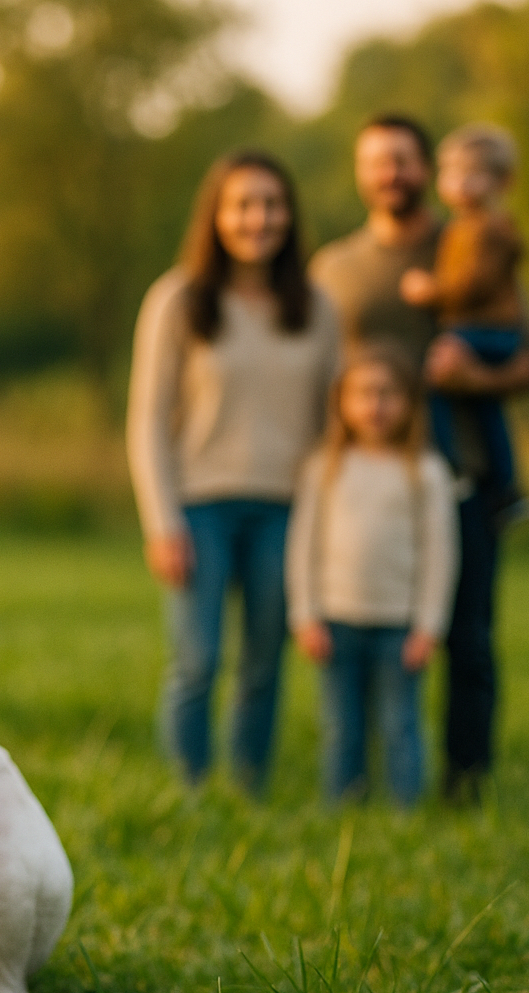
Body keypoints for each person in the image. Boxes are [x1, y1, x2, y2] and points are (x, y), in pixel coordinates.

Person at [310, 114, 529, 804]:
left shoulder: (469, 242)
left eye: (404, 160)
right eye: (376, 161)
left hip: (462, 475)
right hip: (365, 489)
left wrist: (476, 377)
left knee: (467, 640)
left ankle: (465, 785)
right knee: (367, 639)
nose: (391, 173)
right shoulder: (334, 269)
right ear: (360, 172)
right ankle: (361, 783)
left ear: (427, 170)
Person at [127, 151, 340, 793]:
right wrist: (162, 523)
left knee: (265, 662)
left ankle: (250, 789)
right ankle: (188, 791)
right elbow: (147, 420)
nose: (259, 219)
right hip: (199, 507)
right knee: (197, 661)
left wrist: (329, 520)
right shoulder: (177, 300)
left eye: (272, 205)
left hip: (288, 510)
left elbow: (333, 426)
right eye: (243, 205)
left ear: (289, 216)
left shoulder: (317, 308)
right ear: (216, 216)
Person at [286, 345, 458, 806]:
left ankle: (405, 812)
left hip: (399, 625)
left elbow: (441, 554)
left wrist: (429, 625)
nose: (375, 405)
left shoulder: (427, 472)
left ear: (410, 402)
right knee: (342, 725)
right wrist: (305, 615)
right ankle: (343, 807)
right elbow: (302, 547)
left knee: (400, 723)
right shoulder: (323, 467)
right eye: (362, 394)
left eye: (388, 394)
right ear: (341, 403)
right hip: (336, 620)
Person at [400, 122, 529, 527]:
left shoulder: (486, 229)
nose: (460, 185)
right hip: (488, 330)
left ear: (502, 182)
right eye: (452, 174)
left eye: (473, 175)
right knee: (489, 411)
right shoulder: (468, 226)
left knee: (435, 381)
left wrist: (430, 291)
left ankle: (453, 465)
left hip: (483, 330)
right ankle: (507, 488)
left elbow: (473, 285)